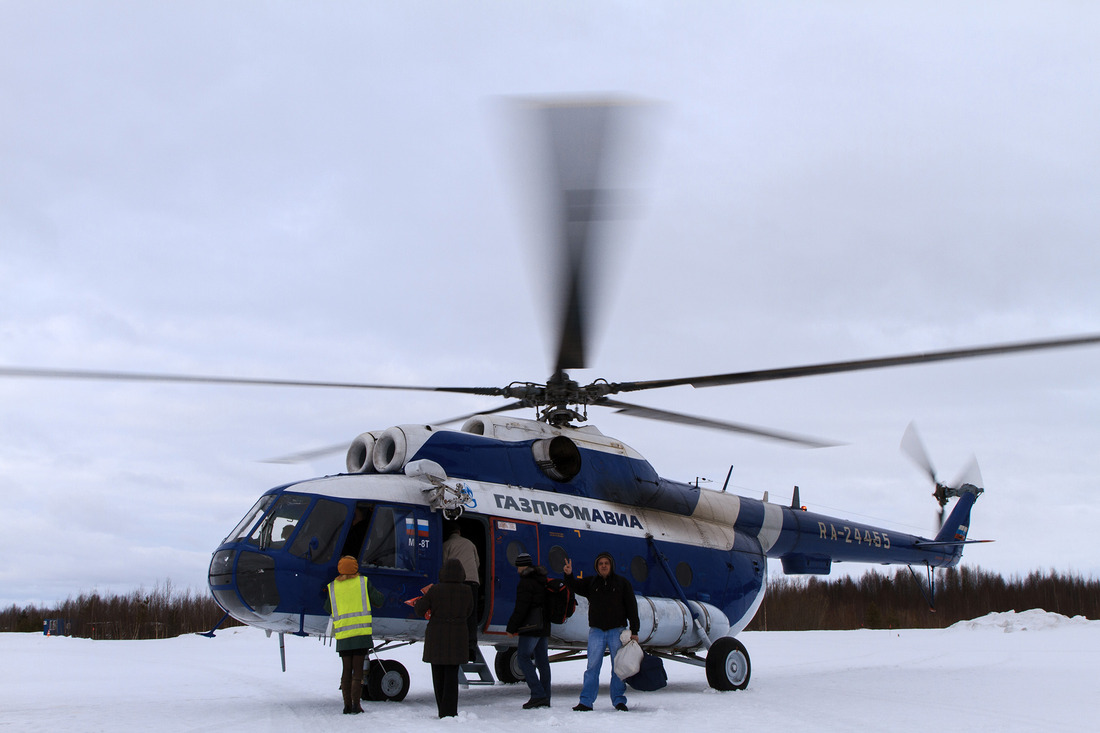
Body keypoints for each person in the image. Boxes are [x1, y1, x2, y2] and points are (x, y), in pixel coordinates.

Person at [562, 551, 639, 712]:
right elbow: (575, 586)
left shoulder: (622, 583)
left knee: (618, 667)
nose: (603, 566)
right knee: (592, 667)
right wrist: (568, 575)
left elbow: (632, 607)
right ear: (597, 567)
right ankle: (586, 701)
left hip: (616, 631)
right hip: (596, 631)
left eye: (606, 563)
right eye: (600, 564)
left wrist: (634, 630)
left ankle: (618, 700)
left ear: (611, 565)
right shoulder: (591, 583)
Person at [414, 558, 474, 718]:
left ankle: (442, 709)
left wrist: (418, 602)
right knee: (452, 675)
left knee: (438, 674)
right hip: (458, 635)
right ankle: (450, 711)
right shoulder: (467, 590)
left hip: (437, 636)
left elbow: (420, 610)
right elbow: (469, 611)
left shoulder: (435, 590)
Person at [326, 555, 378, 714]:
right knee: (358, 670)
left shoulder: (333, 587)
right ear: (356, 568)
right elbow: (379, 600)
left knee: (346, 670)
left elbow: (328, 608)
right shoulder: (363, 582)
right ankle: (356, 705)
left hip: (343, 635)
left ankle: (347, 705)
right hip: (361, 634)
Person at [506, 552, 552, 709]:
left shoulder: (525, 583)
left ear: (523, 566)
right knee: (542, 661)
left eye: (518, 566)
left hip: (531, 627)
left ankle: (538, 694)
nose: (517, 570)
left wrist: (511, 627)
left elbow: (522, 607)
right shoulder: (542, 580)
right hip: (543, 626)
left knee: (523, 658)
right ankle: (546, 696)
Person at [442, 523, 480, 660]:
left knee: (456, 615)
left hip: (457, 583)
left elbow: (443, 564)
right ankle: (471, 647)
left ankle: (456, 647)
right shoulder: (470, 544)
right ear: (459, 531)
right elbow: (477, 563)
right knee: (471, 616)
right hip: (473, 582)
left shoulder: (446, 545)